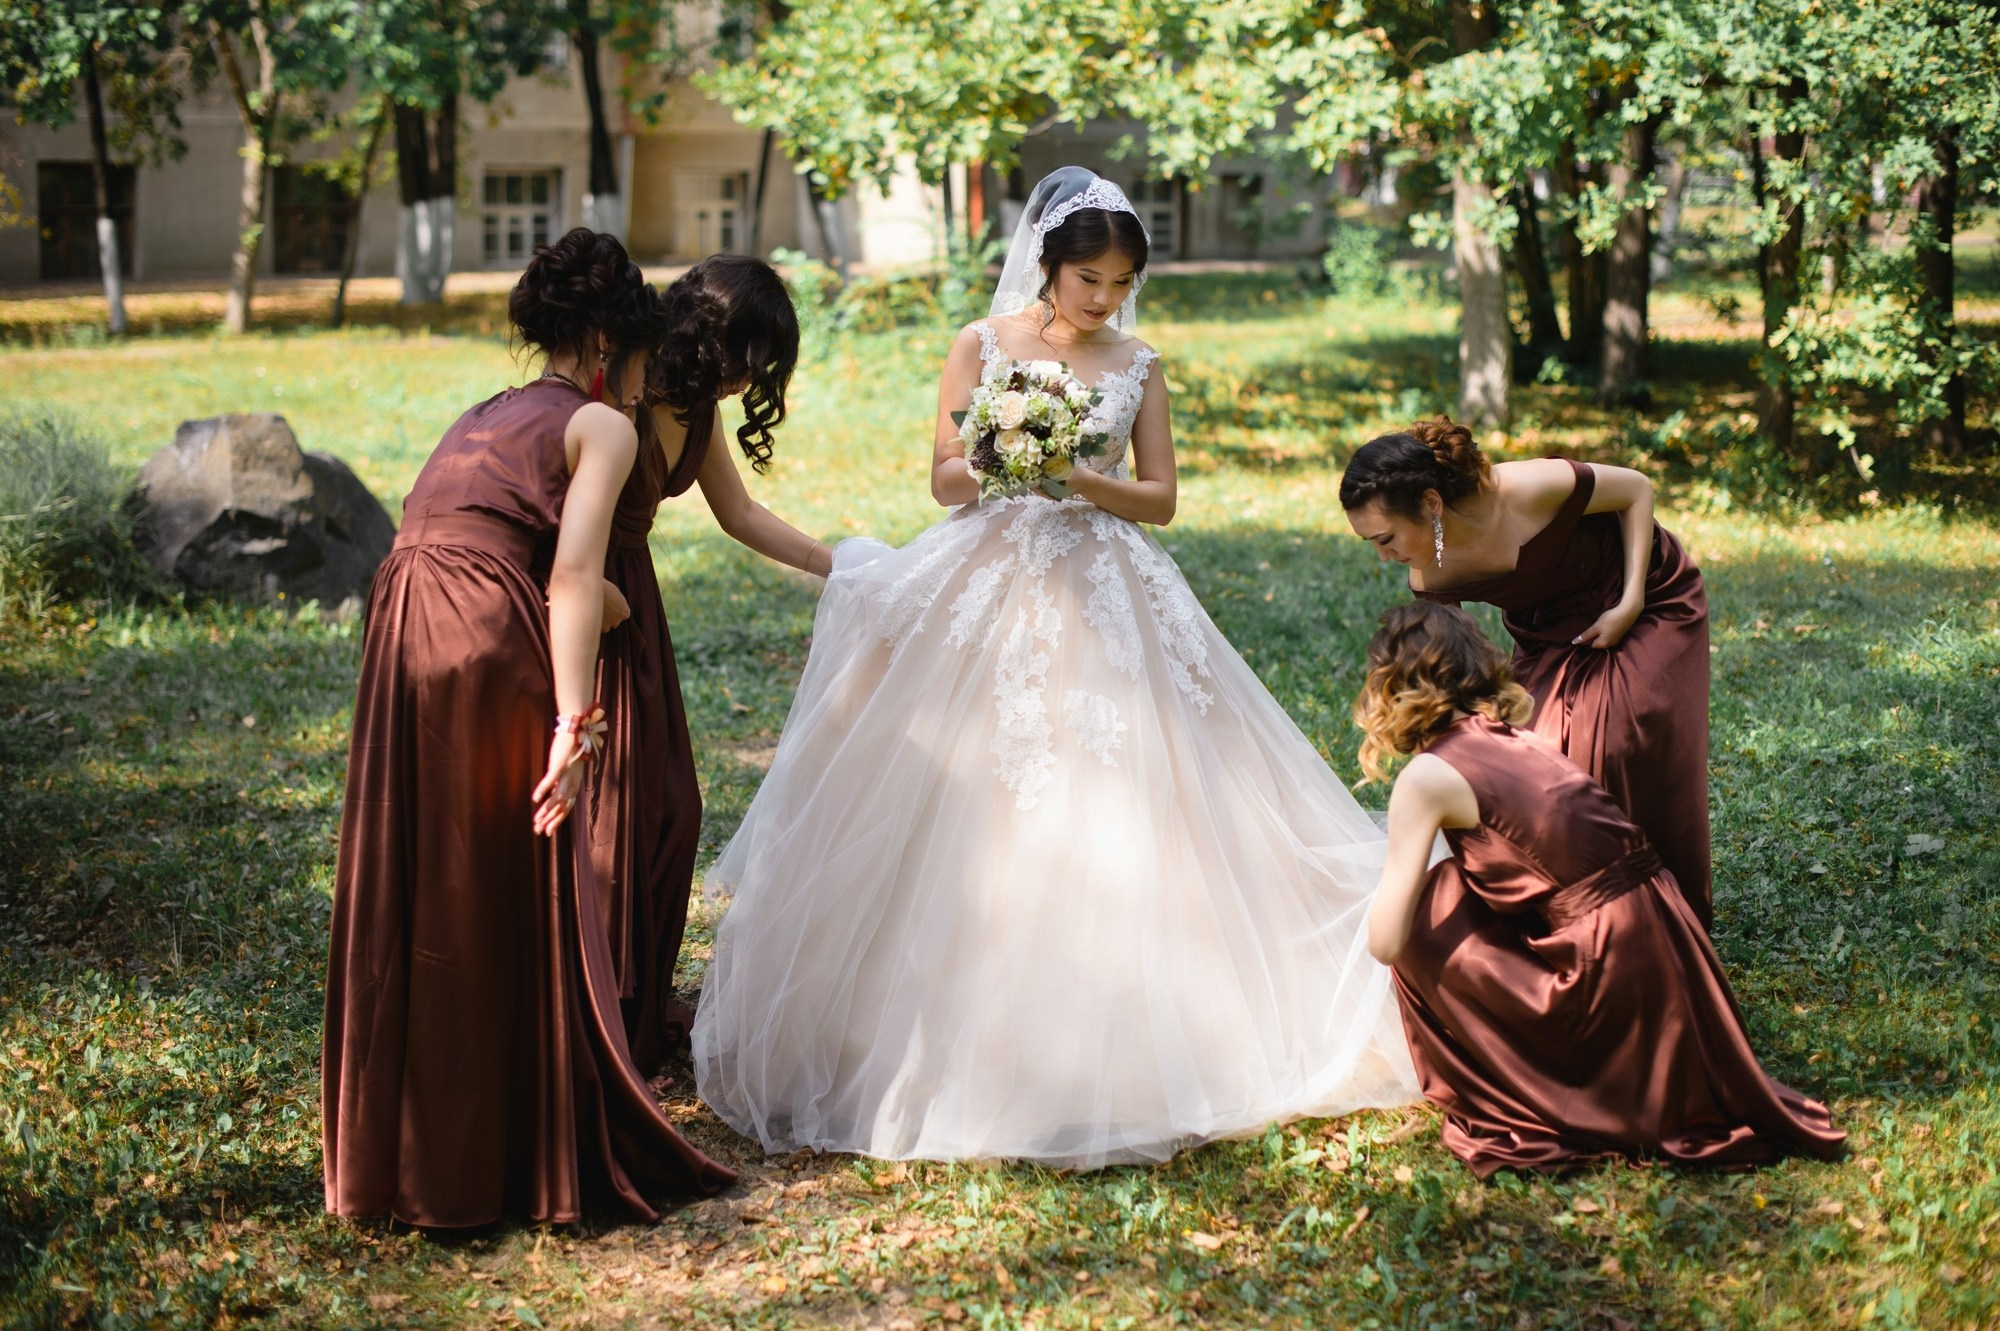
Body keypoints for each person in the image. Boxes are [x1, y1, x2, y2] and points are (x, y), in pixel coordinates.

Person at [691, 167, 1416, 1169]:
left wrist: (1071, 470)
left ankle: (1148, 1030)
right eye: (1090, 281)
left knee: (1133, 777)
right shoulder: (979, 347)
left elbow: (1157, 498)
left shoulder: (1139, 361)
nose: (1105, 300)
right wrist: (1000, 459)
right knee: (973, 781)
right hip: (988, 570)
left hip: (1107, 580)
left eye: (1120, 283)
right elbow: (944, 478)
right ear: (1049, 265)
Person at [323, 229, 735, 1228]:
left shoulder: (488, 408)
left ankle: (398, 1156)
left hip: (403, 616)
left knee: (423, 872)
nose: (642, 390)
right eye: (636, 367)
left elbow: (459, 526)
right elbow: (567, 579)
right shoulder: (603, 426)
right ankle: (498, 1152)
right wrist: (573, 718)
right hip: (487, 621)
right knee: (510, 873)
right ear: (605, 349)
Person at [1356, 601, 1844, 1176]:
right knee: (1454, 881)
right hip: (1667, 943)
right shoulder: (1524, 740)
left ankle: (1524, 1080)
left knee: (1428, 905)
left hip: (1605, 969)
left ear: (1392, 687)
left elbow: (1386, 942)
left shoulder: (1429, 777)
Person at [587, 254, 828, 1075]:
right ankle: (595, 1007)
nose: (748, 380)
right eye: (747, 357)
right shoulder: (617, 387)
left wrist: (848, 565)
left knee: (671, 808)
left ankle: (639, 997)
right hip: (585, 595)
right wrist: (585, 594)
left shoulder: (695, 405)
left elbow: (742, 514)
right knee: (610, 813)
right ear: (709, 333)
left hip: (635, 601)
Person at [1340, 421, 1714, 929]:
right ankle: (1588, 903)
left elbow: (1636, 489)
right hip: (1550, 634)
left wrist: (1630, 603)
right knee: (1542, 754)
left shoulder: (1529, 488)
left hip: (1645, 596)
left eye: (1384, 538)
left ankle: (1666, 905)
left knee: (1623, 739)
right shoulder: (1430, 575)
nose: (1382, 555)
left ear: (1430, 503)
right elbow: (1452, 658)